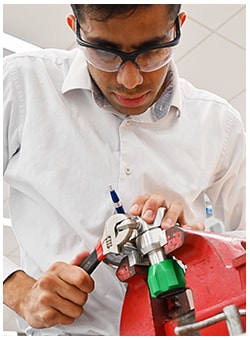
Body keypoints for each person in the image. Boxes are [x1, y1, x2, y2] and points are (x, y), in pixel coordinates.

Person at [3, 4, 245, 336]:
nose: (130, 81)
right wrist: (19, 291)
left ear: (178, 27)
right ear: (76, 28)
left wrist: (200, 244)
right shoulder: (20, 85)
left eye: (153, 51)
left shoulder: (219, 124)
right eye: (104, 53)